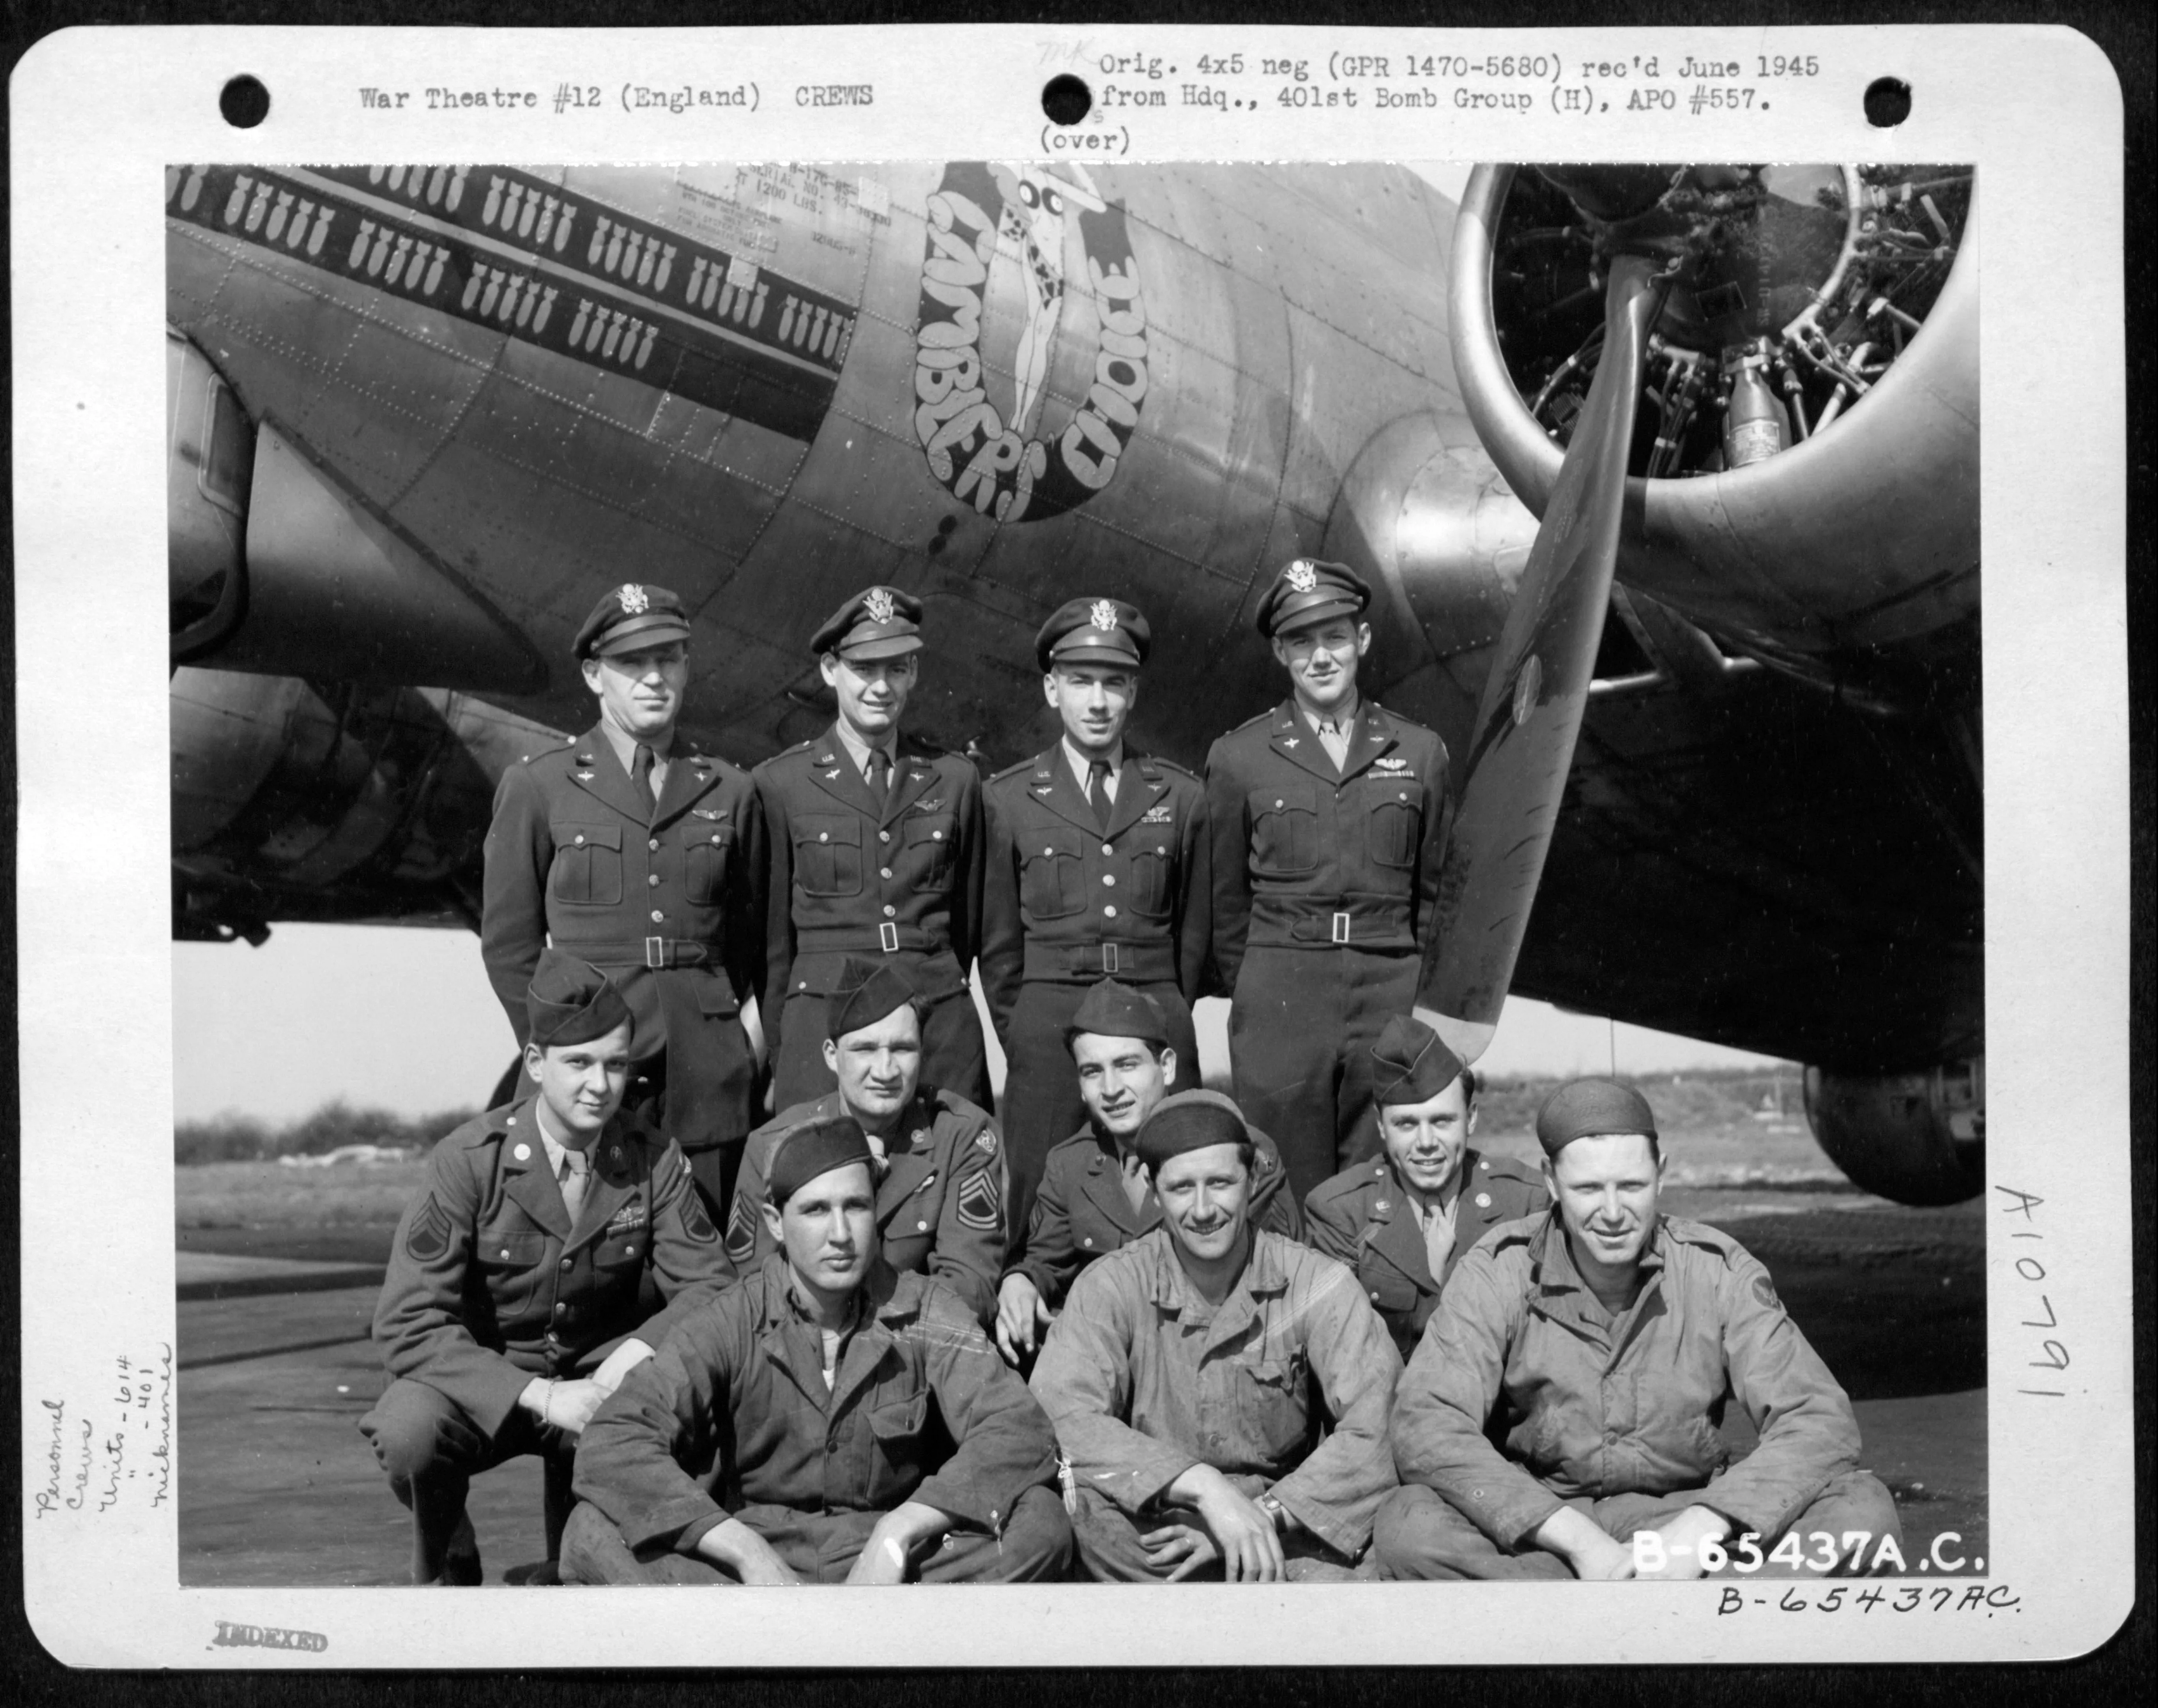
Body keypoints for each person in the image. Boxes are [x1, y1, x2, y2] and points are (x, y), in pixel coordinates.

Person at [1376, 1078, 1903, 1582]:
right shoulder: (1498, 1271)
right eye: (1587, 1188)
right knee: (1408, 1525)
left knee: (1863, 1513)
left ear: (1661, 1174)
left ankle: (1588, 1618)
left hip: (1687, 1517)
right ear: (1550, 1181)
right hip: (1547, 1526)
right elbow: (1428, 1421)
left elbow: (1816, 1419)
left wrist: (1699, 1532)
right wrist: (1579, 1543)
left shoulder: (1715, 1269)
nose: (1611, 1213)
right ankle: (1686, 1616)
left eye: (1630, 1186)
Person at [559, 1114, 1073, 1584]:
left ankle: (783, 1649)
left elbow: (1018, 1428)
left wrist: (899, 1533)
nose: (841, 1234)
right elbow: (614, 1438)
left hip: (893, 1562)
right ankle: (805, 1643)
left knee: (1041, 1523)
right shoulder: (731, 1317)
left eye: (856, 1206)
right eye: (815, 1211)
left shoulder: (924, 1309)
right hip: (757, 1562)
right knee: (590, 1531)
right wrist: (745, 1552)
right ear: (776, 1222)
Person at [360, 952, 733, 1584]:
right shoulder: (469, 1161)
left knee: (699, 1413)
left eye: (616, 1064)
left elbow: (712, 1285)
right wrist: (542, 1395)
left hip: (601, 1386)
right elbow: (406, 1321)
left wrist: (632, 1357)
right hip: (492, 1391)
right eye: (579, 1063)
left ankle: (579, 1563)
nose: (600, 1085)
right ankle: (450, 1545)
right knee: (408, 1429)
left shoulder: (650, 1157)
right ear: (537, 1064)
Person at [1029, 1090, 1401, 1582]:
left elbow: (1377, 1426)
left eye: (1221, 1183)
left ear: (1251, 1182)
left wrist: (1259, 1516)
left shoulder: (1316, 1284)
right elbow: (1061, 1414)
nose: (1203, 1209)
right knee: (1071, 1519)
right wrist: (1201, 1486)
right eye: (1181, 1188)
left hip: (1283, 1520)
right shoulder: (1111, 1284)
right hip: (1157, 1520)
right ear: (1153, 1191)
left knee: (1385, 1540)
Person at [481, 582, 766, 1214]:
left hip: (707, 1084)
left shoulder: (732, 792)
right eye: (631, 663)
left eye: (668, 659)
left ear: (687, 668)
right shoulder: (539, 786)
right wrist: (563, 1054)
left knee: (711, 1276)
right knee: (596, 1277)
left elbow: (753, 948)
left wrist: (738, 1047)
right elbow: (509, 945)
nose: (653, 678)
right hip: (595, 1080)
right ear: (593, 674)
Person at [1203, 557, 1451, 1202]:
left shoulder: (1419, 753)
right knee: (1281, 1176)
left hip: (1388, 985)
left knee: (1381, 1179)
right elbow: (1226, 902)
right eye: (1303, 641)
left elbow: (1432, 896)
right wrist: (1259, 984)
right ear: (1281, 651)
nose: (1322, 657)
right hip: (1283, 989)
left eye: (1336, 636)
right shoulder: (1239, 758)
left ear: (1362, 640)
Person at [980, 597, 1210, 1242]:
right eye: (1081, 681)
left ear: (1133, 691)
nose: (1098, 701)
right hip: (1048, 1021)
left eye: (1113, 683)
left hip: (1154, 1016)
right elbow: (998, 946)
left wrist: (1167, 1012)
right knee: (1033, 1195)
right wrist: (1026, 1029)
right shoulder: (1008, 798)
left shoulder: (1181, 796)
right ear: (1053, 689)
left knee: (1178, 1179)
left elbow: (1194, 935)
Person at [754, 584, 991, 1114]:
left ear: (914, 673)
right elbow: (772, 951)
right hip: (823, 1028)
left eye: (897, 669)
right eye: (864, 669)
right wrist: (789, 1042)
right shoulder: (781, 783)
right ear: (830, 670)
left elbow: (967, 926)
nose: (881, 687)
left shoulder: (954, 779)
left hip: (936, 1030)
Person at [995, 981, 1300, 1367]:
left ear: (1168, 1066)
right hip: (1118, 1362)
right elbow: (1046, 1262)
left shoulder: (1238, 1152)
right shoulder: (1069, 1164)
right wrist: (1021, 1280)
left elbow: (1277, 1280)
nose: (1111, 1089)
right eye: (1092, 1071)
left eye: (1127, 1064)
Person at [724, 958, 1004, 1326]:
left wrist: (868, 1338)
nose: (886, 1071)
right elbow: (754, 1289)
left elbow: (971, 1289)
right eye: (865, 1049)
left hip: (917, 1358)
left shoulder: (962, 1136)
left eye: (903, 1049)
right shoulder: (772, 1147)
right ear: (831, 1055)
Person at [1303, 1015, 1546, 1361]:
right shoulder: (1342, 1212)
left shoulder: (1524, 1200)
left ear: (1472, 1118)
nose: (1427, 1142)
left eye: (1442, 1120)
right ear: (1381, 1126)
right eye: (1406, 1124)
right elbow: (1342, 1358)